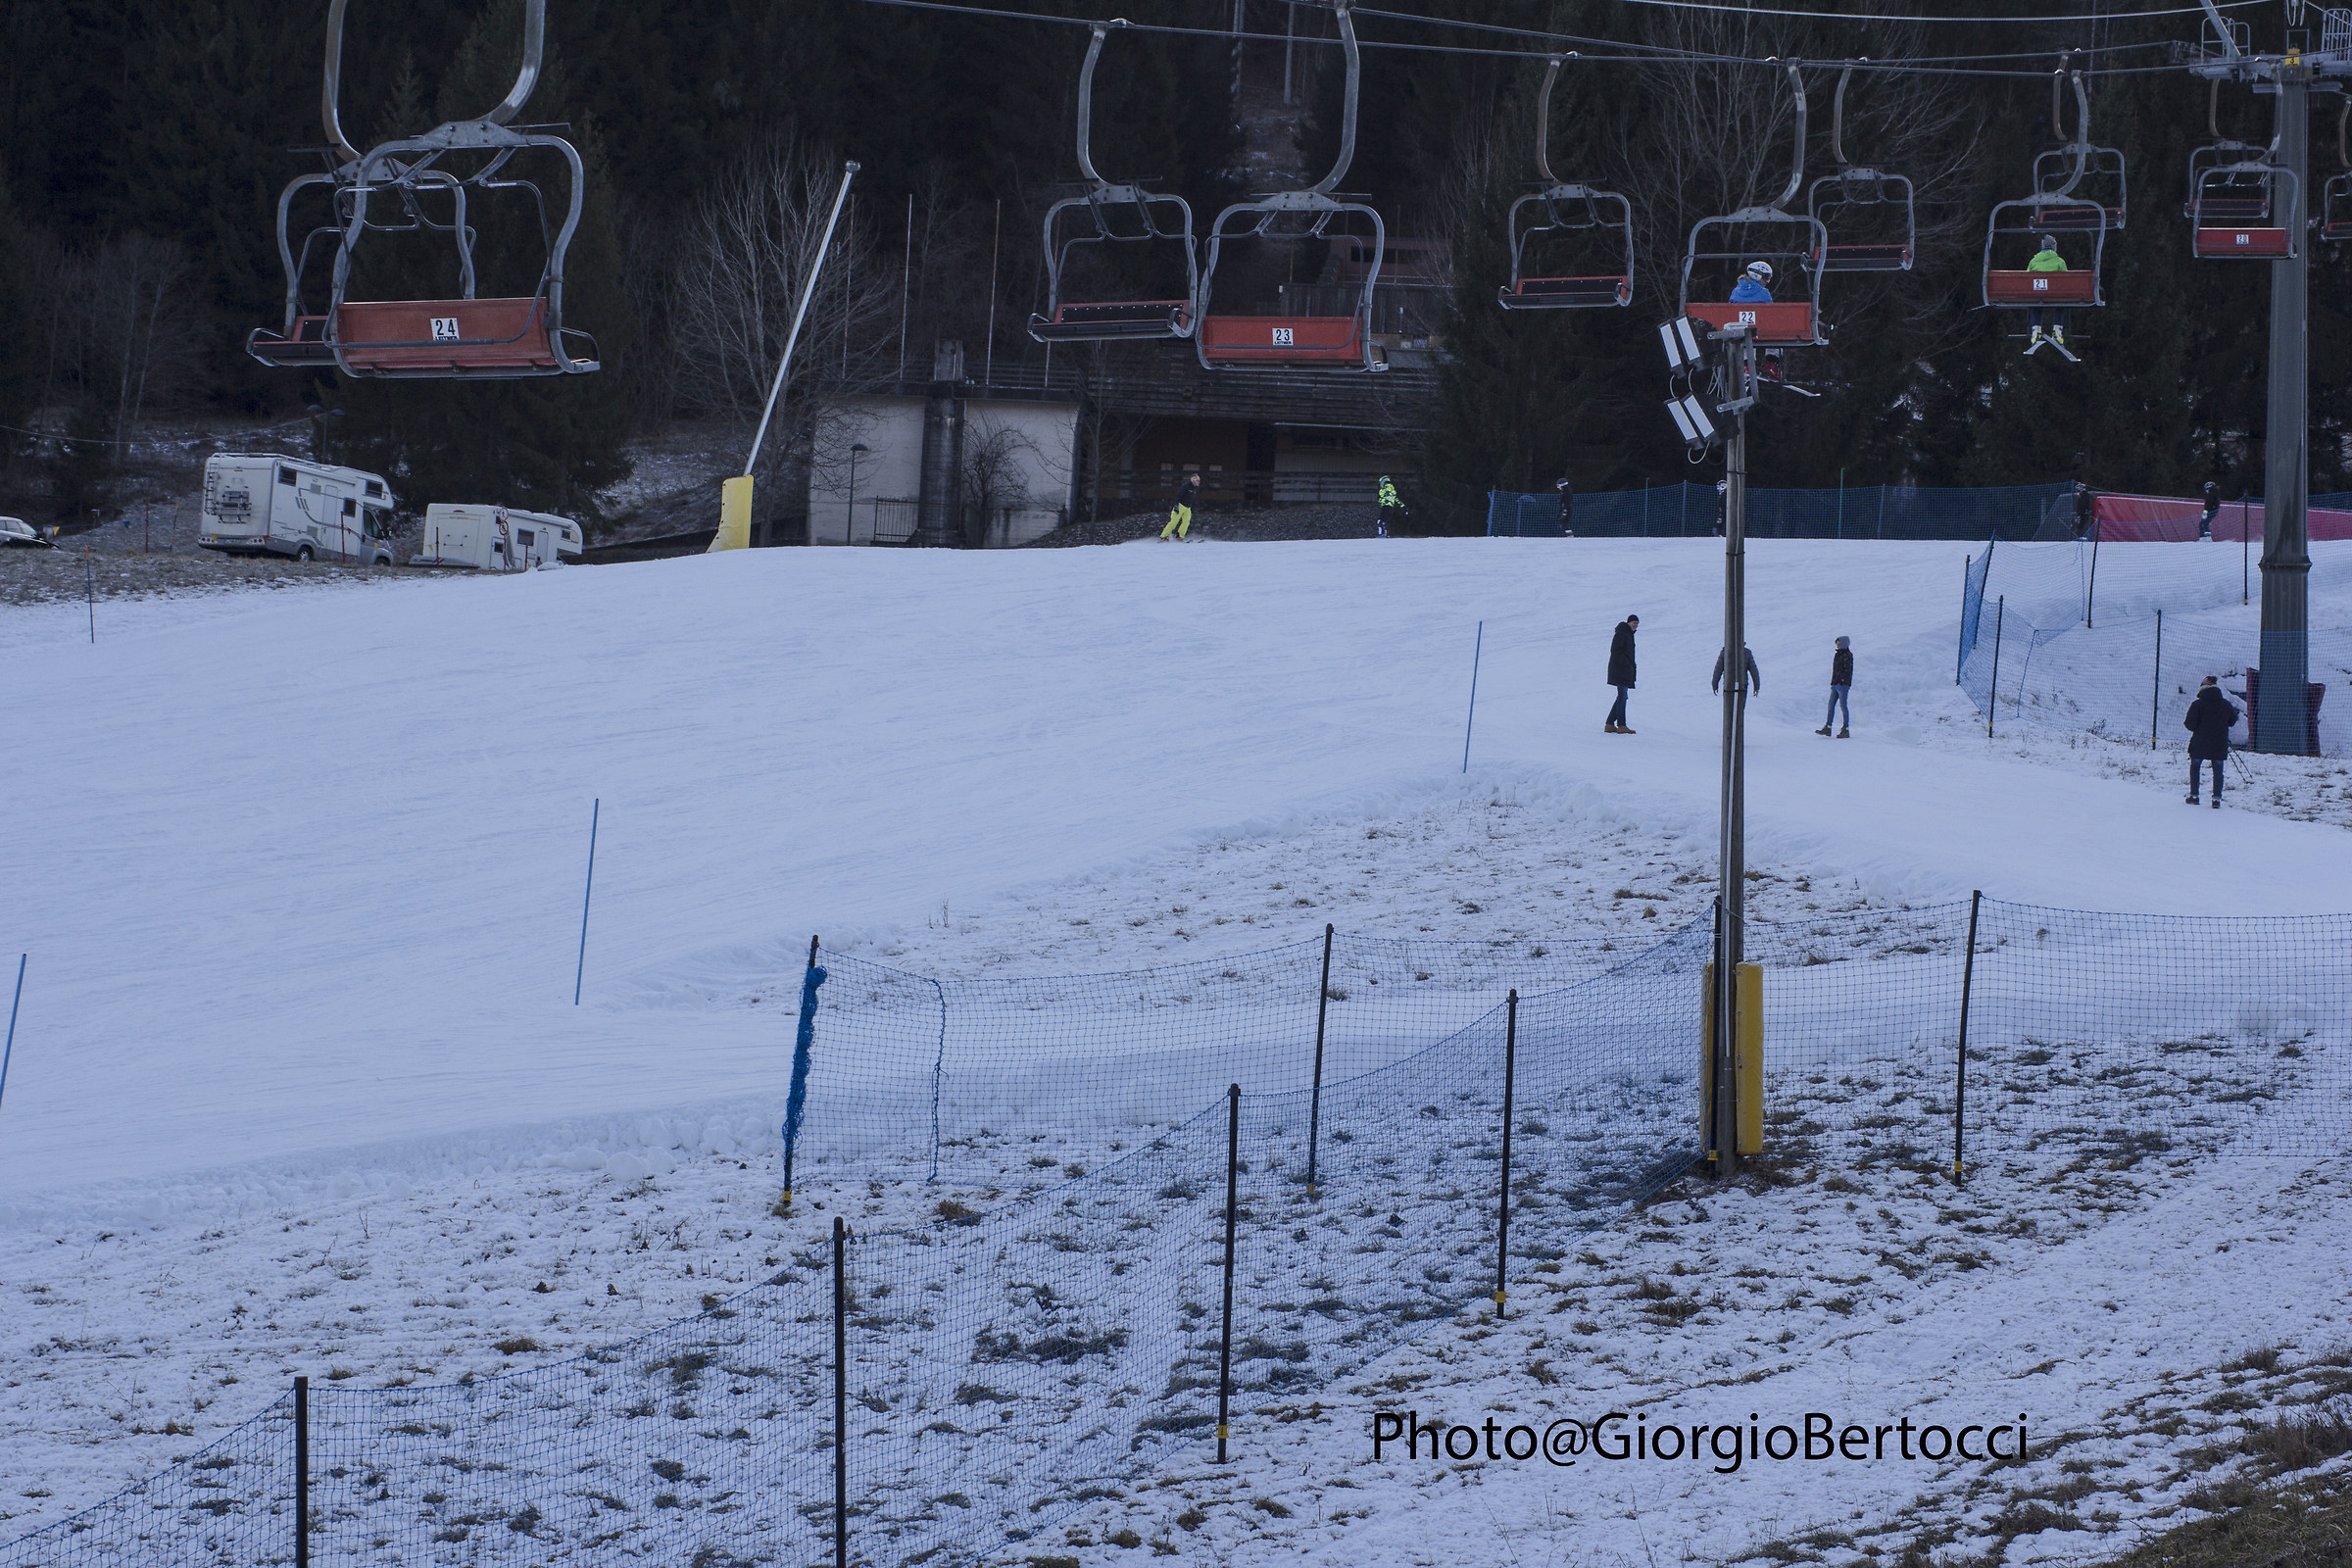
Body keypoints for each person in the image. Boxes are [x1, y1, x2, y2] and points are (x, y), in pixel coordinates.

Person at [2183, 675, 2240, 808]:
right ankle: (2216, 800)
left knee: (2195, 767)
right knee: (2218, 770)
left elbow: (2189, 724)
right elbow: (2232, 721)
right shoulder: (2225, 704)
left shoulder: (2197, 704)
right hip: (2219, 742)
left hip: (2200, 742)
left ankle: (2194, 796)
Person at [1729, 262, 1785, 382]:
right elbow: (1772, 312)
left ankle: (1746, 366)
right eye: (1767, 278)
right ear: (1758, 275)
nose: (1767, 282)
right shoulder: (1764, 293)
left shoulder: (1735, 291)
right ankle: (1771, 365)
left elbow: (1730, 309)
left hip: (1740, 329)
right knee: (1775, 334)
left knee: (1745, 336)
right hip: (1761, 330)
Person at [2026, 236, 2070, 351]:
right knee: (2061, 304)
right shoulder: (2060, 262)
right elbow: (2066, 280)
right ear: (2054, 247)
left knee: (2036, 302)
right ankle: (2057, 330)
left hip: (2038, 294)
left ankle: (2035, 331)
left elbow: (2026, 279)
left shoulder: (2033, 261)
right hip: (2056, 295)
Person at [1606, 614, 1640, 734]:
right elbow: (1616, 650)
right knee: (1622, 696)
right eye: (1633, 622)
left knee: (1622, 696)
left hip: (1624, 670)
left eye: (1637, 623)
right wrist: (1626, 664)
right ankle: (1621, 725)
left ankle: (1610, 724)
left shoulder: (1628, 634)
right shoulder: (1622, 633)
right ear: (1628, 623)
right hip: (1620, 670)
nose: (1635, 625)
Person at [1817, 635, 1853, 737]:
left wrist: (1842, 681)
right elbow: (1835, 670)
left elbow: (1848, 671)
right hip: (1835, 684)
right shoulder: (1837, 654)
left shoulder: (1848, 655)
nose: (1837, 644)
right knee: (1831, 705)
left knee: (1843, 706)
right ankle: (1828, 727)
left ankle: (1845, 729)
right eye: (1837, 642)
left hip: (1843, 685)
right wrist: (1833, 682)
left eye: (1839, 642)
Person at [1160, 471, 1200, 541]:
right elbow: (1178, 496)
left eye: (1199, 481)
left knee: (1186, 521)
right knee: (1174, 522)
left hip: (1187, 508)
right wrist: (1176, 506)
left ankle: (1180, 536)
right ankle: (1164, 537)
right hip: (1180, 505)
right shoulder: (1185, 486)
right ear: (1193, 480)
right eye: (1197, 481)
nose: (1198, 482)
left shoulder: (1195, 488)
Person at [1376, 474, 1403, 539]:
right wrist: (1403, 507)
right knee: (1383, 521)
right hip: (1390, 507)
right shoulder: (1392, 490)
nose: (1380, 485)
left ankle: (1382, 534)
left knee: (1380, 521)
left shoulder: (1385, 489)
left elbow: (1381, 497)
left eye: (1380, 484)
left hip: (1386, 506)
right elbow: (1397, 499)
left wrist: (1379, 494)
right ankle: (1385, 534)